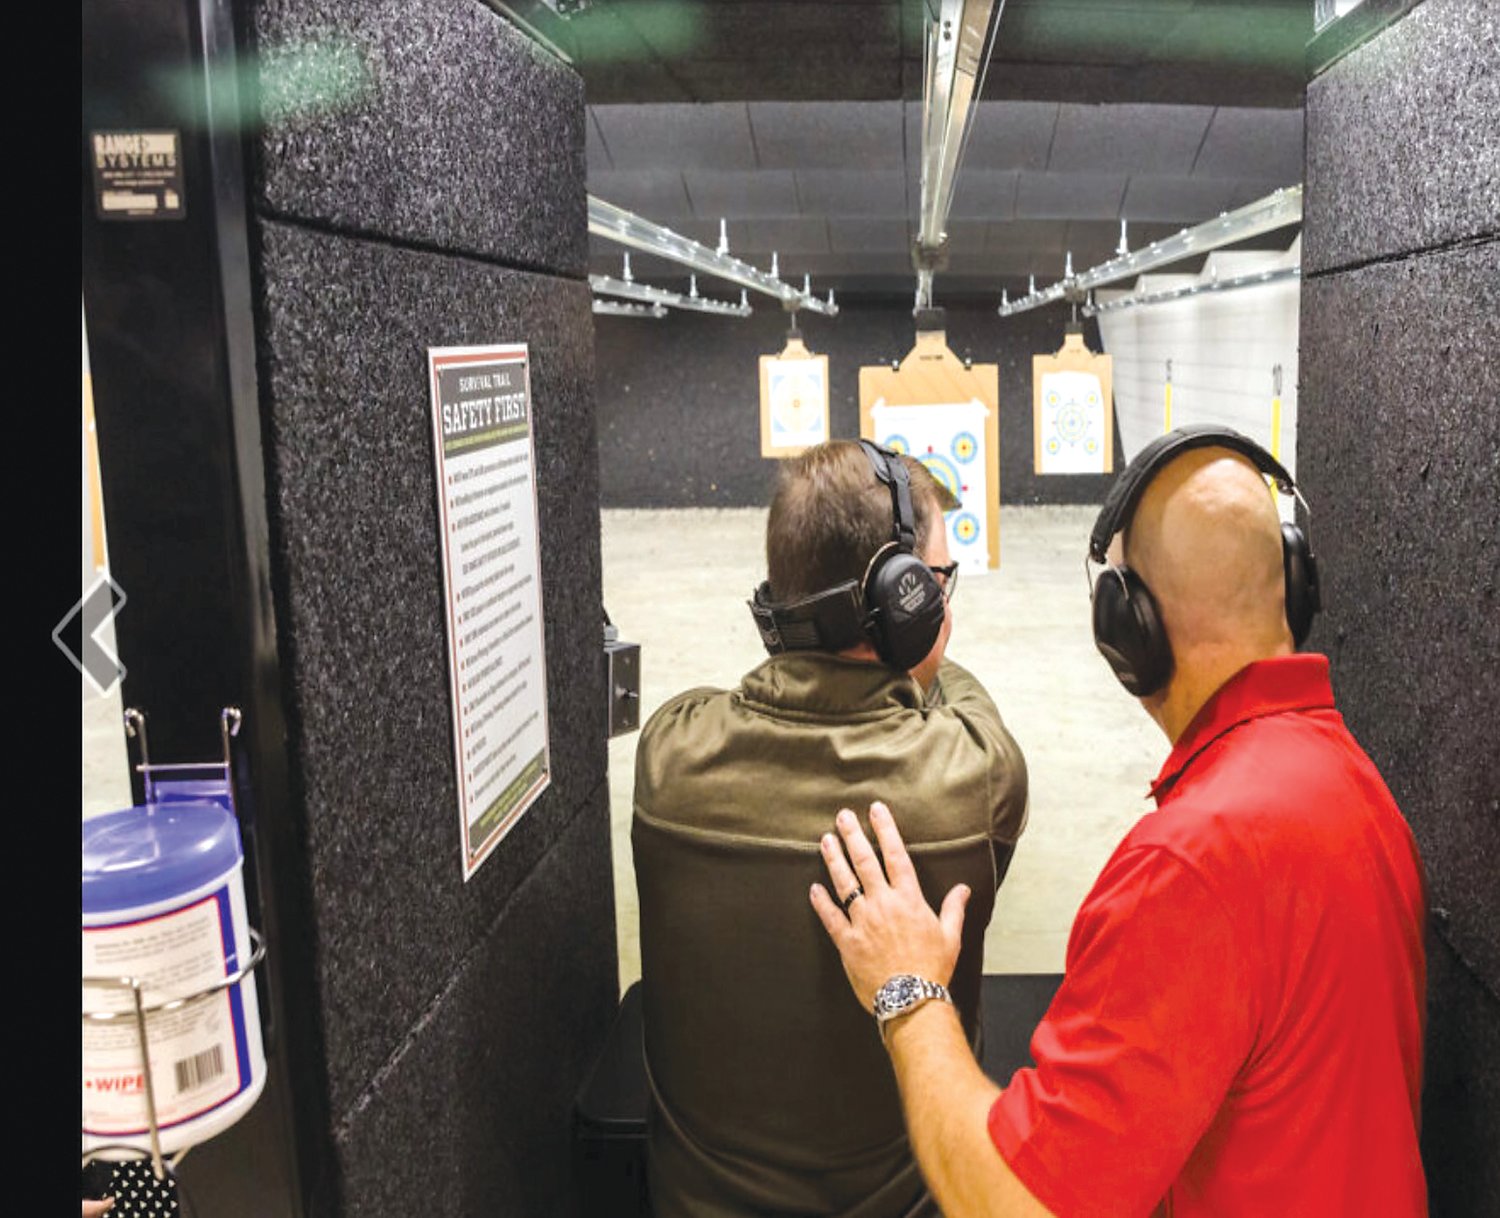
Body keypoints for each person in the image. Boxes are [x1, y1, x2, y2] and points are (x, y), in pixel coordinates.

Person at [811, 427, 1428, 1217]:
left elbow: (1014, 1203)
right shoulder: (1352, 782)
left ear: (1127, 625)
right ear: (1294, 588)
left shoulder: (1197, 861)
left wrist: (908, 992)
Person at [633, 438, 1029, 1218]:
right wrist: (915, 646)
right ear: (907, 601)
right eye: (934, 585)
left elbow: (738, 693)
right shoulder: (975, 779)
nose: (944, 603)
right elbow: (963, 698)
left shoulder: (667, 757)